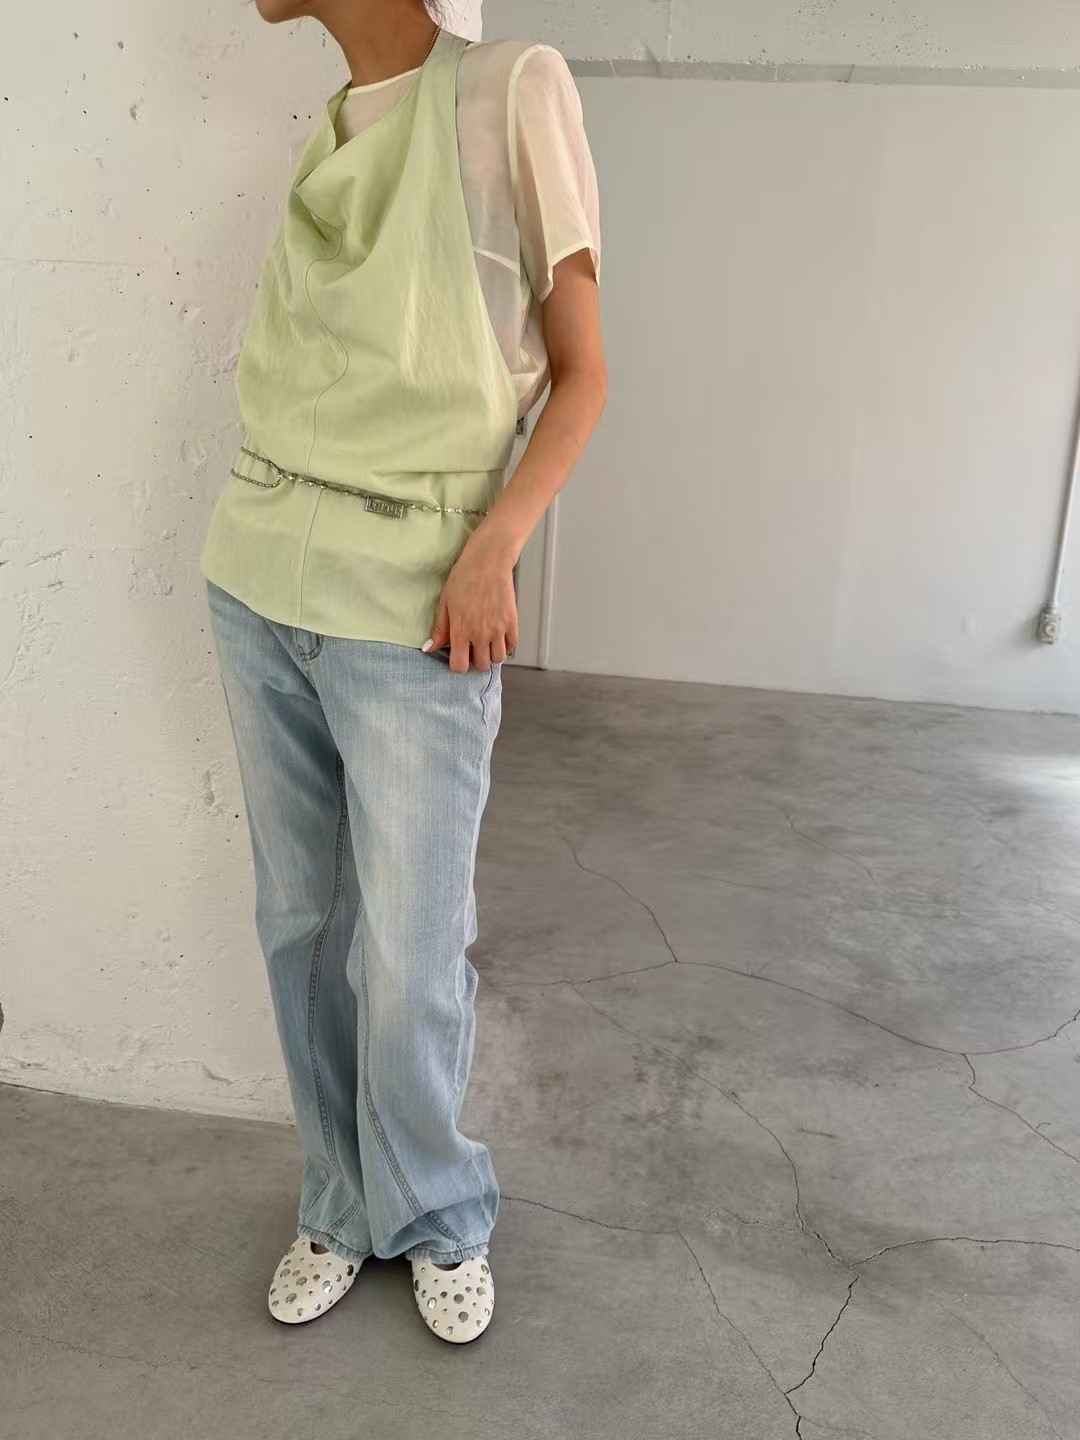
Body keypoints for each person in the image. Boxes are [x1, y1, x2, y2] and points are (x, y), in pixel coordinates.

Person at [199, 0, 605, 1344]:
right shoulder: (330, 124)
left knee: (414, 954)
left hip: (416, 608)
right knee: (302, 930)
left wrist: (496, 547)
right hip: (261, 578)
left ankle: (435, 1211)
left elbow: (585, 372)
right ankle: (336, 1200)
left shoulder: (511, 88)